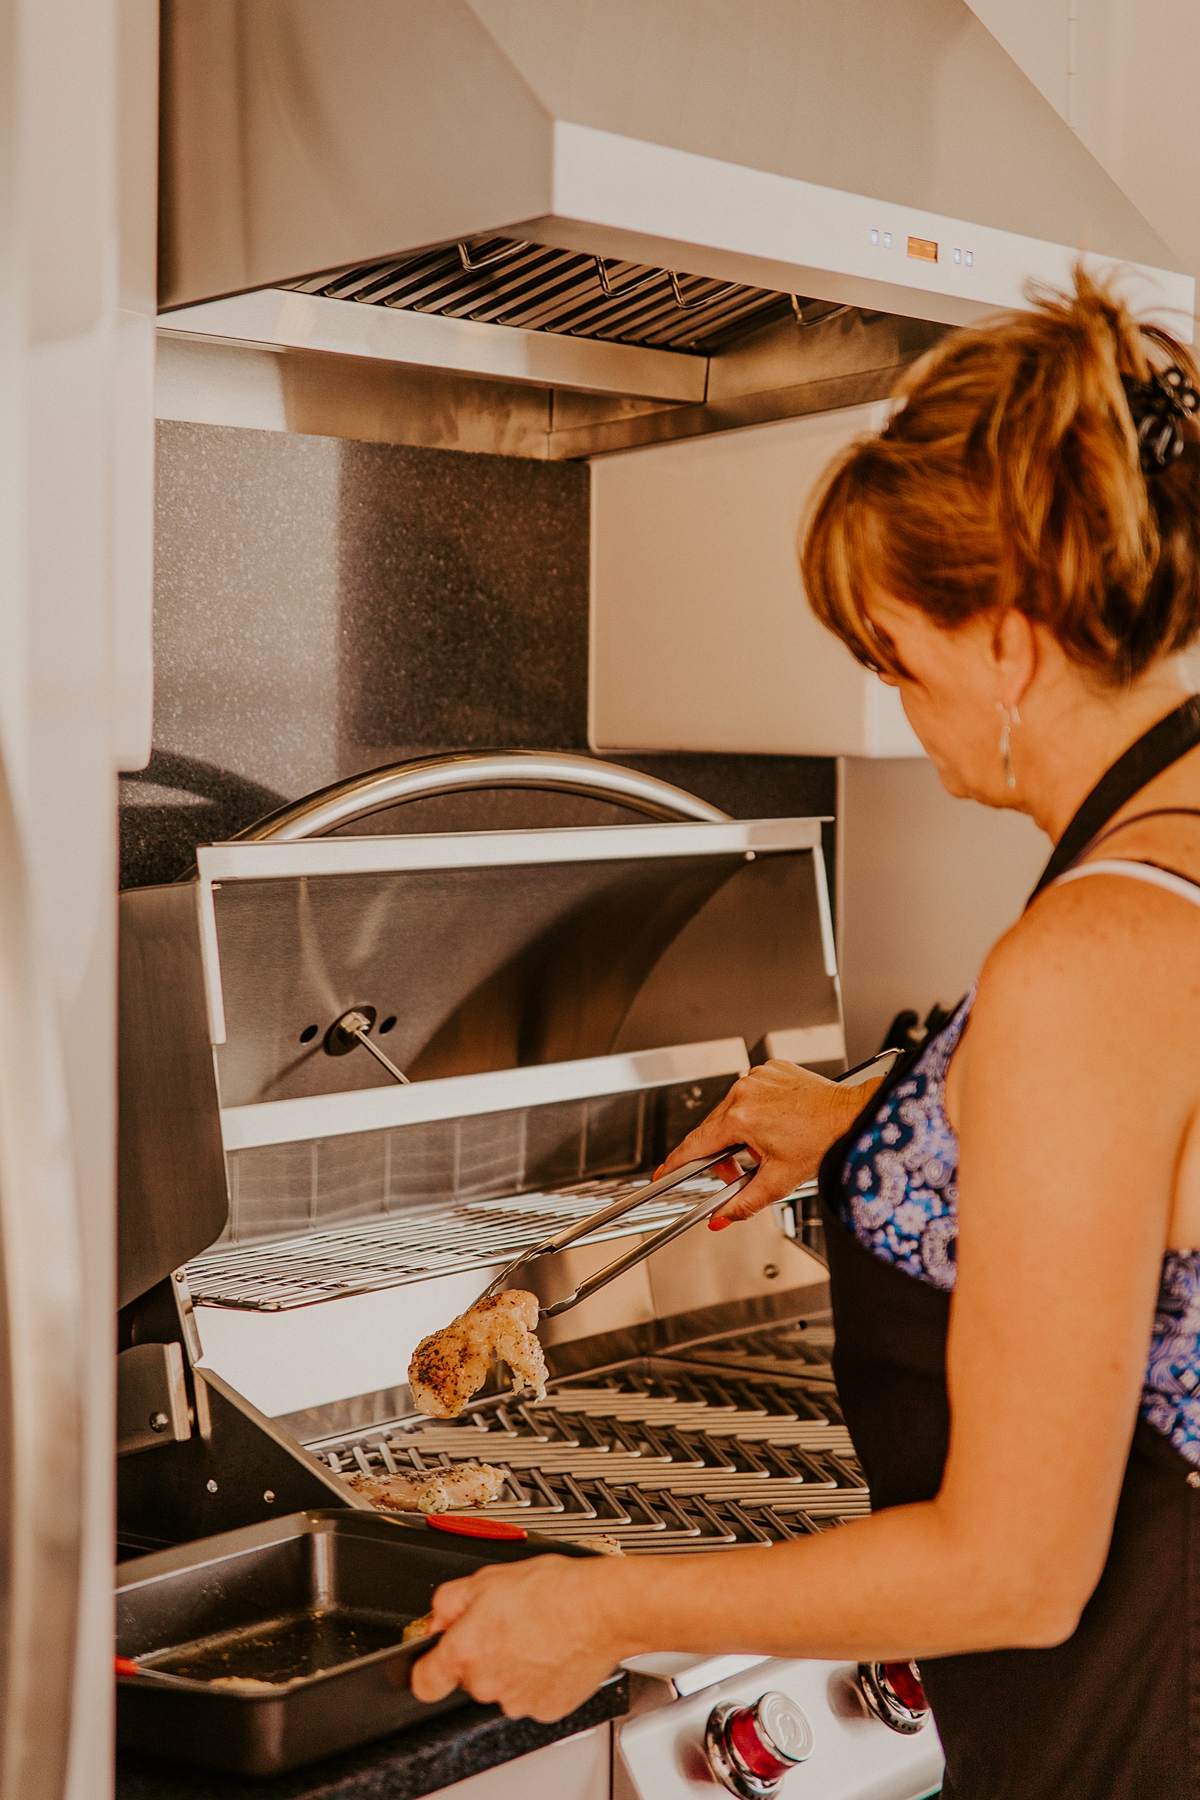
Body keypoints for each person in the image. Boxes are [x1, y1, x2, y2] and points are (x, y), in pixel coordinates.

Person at [410, 271, 1200, 1798]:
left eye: (897, 651)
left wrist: (597, 1603)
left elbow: (1015, 1571)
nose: (897, 699)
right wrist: (871, 1120)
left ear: (1010, 642)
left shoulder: (1088, 957)